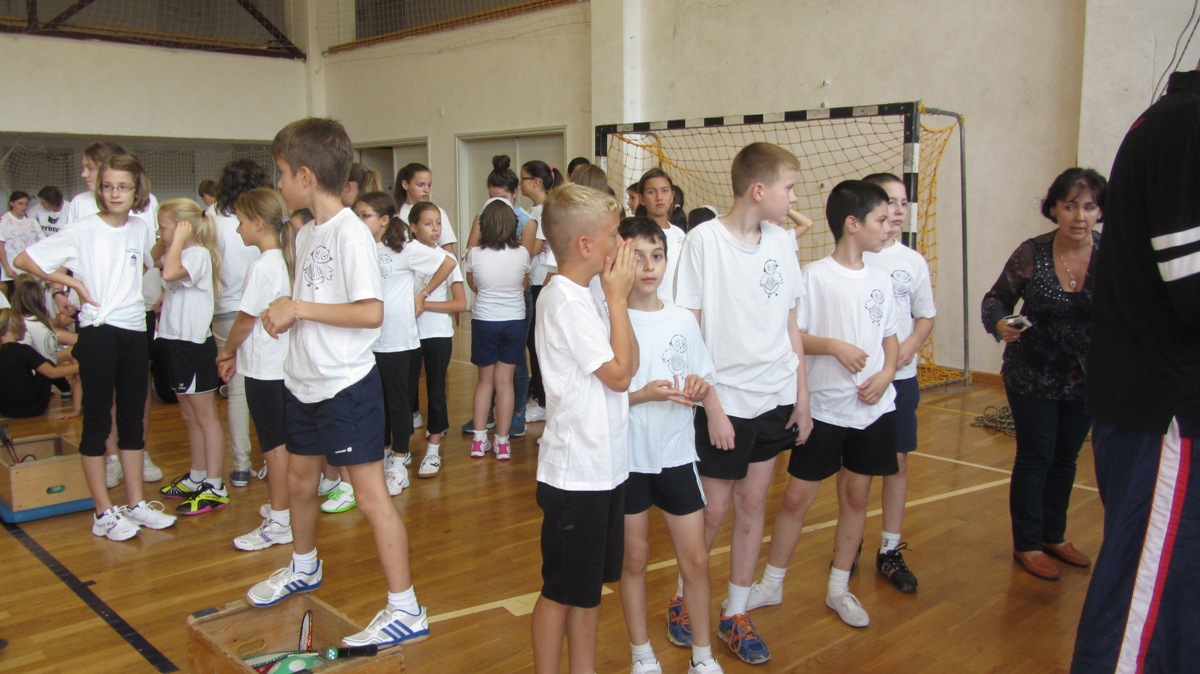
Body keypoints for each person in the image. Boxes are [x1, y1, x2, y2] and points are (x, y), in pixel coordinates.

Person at [248, 118, 428, 649]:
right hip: (303, 382)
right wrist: (288, 313)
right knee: (300, 483)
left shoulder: (351, 232)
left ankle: (406, 608)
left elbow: (371, 312)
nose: (279, 182)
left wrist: (297, 307)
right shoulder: (307, 233)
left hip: (345, 387)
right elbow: (314, 304)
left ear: (305, 176)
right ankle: (303, 566)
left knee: (370, 498)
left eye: (282, 173)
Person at [1071, 66, 1200, 674]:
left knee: (1178, 597)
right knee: (1142, 607)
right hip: (1167, 409)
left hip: (1164, 406)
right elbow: (1192, 285)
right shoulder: (1186, 126)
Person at [673, 142, 811, 665]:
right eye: (788, 188)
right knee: (712, 512)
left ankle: (734, 612)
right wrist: (711, 405)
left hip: (774, 398)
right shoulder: (704, 241)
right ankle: (683, 599)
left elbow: (791, 323)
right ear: (758, 190)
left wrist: (801, 396)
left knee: (753, 506)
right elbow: (689, 328)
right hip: (724, 401)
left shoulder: (782, 241)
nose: (794, 198)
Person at [748, 180, 899, 633]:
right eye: (880, 219)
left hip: (872, 409)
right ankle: (771, 582)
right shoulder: (814, 276)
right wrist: (833, 346)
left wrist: (887, 374)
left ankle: (839, 586)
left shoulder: (882, 279)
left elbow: (890, 339)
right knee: (796, 498)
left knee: (856, 496)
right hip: (825, 410)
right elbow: (795, 335)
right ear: (852, 224)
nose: (889, 225)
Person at [16, 153, 177, 540]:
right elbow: (23, 259)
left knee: (133, 422)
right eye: (107, 186)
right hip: (99, 332)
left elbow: (143, 265)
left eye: (123, 187)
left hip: (135, 330)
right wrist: (70, 284)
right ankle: (103, 512)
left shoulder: (139, 228)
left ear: (136, 190)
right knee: (98, 421)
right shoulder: (83, 229)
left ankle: (135, 503)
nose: (114, 193)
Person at [530, 183, 636, 674]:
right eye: (614, 234)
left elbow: (629, 363)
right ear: (586, 245)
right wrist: (618, 300)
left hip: (605, 467)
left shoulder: (591, 293)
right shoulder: (564, 301)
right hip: (575, 475)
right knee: (561, 591)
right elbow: (619, 375)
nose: (621, 244)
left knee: (588, 589)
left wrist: (617, 299)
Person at [981, 167, 1105, 581]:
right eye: (1069, 206)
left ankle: (1054, 535)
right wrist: (1000, 323)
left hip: (1086, 377)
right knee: (1037, 456)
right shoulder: (1031, 252)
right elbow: (995, 300)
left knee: (1066, 458)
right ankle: (1028, 543)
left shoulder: (1113, 254)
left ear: (1100, 211)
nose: (1079, 216)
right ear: (1054, 208)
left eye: (1089, 207)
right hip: (1031, 372)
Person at [617, 216, 724, 674]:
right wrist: (642, 395)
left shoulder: (682, 318)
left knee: (696, 560)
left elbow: (703, 376)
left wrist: (701, 389)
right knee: (635, 558)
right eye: (637, 257)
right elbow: (597, 398)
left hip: (677, 456)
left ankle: (703, 657)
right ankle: (642, 655)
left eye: (656, 256)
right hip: (627, 460)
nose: (648, 266)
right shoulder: (609, 319)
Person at [862, 172, 936, 593]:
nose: (897, 210)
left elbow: (925, 315)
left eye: (903, 203)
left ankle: (889, 548)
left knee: (897, 461)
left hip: (900, 379)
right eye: (889, 201)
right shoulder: (855, 257)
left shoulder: (912, 262)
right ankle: (849, 544)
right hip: (859, 382)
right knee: (855, 469)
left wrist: (907, 348)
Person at [358, 191, 455, 502]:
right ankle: (387, 454)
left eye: (365, 215)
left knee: (399, 404)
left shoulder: (403, 248)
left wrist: (423, 294)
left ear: (384, 220)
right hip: (369, 341)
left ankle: (399, 464)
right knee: (378, 403)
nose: (360, 221)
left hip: (399, 340)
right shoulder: (361, 247)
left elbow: (448, 262)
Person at [218, 188, 295, 550]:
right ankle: (285, 508)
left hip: (266, 370)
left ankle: (280, 520)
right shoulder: (290, 260)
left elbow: (245, 321)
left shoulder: (262, 266)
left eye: (241, 222)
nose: (238, 230)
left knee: (274, 447)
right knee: (285, 443)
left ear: (259, 223)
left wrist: (226, 352)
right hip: (287, 366)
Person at [153, 199, 229, 516]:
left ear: (184, 227)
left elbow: (169, 271)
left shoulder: (197, 254)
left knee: (205, 416)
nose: (159, 232)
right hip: (174, 341)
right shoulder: (179, 251)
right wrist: (169, 238)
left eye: (163, 226)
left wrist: (180, 238)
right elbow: (154, 257)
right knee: (188, 414)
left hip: (193, 345)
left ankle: (215, 484)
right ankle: (197, 476)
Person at [461, 155, 537, 436]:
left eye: (502, 197)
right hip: (491, 298)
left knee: (515, 365)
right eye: (492, 197)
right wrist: (485, 287)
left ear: (515, 193)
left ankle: (517, 413)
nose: (496, 202)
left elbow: (524, 271)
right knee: (489, 375)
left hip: (515, 298)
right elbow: (470, 253)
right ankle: (488, 419)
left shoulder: (527, 222)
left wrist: (492, 283)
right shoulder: (483, 216)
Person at [210, 158, 272, 487]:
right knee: (268, 384)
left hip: (228, 308)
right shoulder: (267, 215)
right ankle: (272, 459)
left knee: (238, 389)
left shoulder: (213, 217)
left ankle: (241, 466)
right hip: (264, 308)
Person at [464, 199, 530, 461]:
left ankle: (479, 440)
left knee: (485, 382)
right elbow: (524, 283)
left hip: (485, 321)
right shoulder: (523, 254)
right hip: (514, 322)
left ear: (485, 225)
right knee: (505, 383)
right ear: (513, 225)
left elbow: (473, 283)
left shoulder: (474, 254)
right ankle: (502, 442)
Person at [408, 202, 466, 477]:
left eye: (438, 223)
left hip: (437, 334)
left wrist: (423, 303)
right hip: (407, 334)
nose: (435, 229)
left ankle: (433, 449)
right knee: (405, 392)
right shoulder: (404, 254)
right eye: (428, 223)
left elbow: (459, 303)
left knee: (436, 390)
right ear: (413, 228)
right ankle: (400, 449)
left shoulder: (446, 259)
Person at [519, 159, 564, 424]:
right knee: (532, 343)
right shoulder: (533, 210)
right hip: (535, 282)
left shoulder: (546, 209)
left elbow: (533, 248)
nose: (520, 183)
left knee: (538, 344)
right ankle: (538, 394)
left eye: (523, 179)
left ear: (536, 182)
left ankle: (543, 400)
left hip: (541, 282)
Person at [0, 308, 79, 418]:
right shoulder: (22, 350)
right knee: (47, 363)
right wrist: (82, 366)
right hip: (33, 407)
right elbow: (52, 373)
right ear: (12, 328)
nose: (25, 329)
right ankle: (66, 390)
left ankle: (66, 389)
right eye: (23, 325)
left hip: (5, 410)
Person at [638, 169, 686, 302]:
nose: (659, 197)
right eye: (651, 192)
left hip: (677, 307)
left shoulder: (679, 233)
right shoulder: (637, 235)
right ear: (642, 199)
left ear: (672, 196)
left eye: (665, 191)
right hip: (649, 306)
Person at [394, 162, 458, 256]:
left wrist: (453, 264)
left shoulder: (437, 212)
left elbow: (447, 248)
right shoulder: (394, 213)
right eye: (420, 185)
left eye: (429, 185)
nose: (426, 190)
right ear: (405, 184)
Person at [1, 191, 42, 297]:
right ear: (12, 203)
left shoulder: (32, 221)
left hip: (31, 269)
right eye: (20, 203)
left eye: (26, 204)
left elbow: (42, 242)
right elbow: (1, 247)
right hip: (13, 270)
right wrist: (7, 268)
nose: (24, 207)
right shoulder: (3, 221)